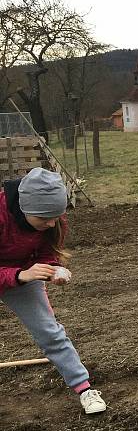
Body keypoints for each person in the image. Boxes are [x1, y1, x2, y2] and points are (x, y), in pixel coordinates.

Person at [0, 168, 106, 415]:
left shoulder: (52, 217)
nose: (51, 223)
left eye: (55, 217)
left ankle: (84, 388)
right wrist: (19, 275)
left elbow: (48, 250)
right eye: (43, 218)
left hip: (26, 274)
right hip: (21, 274)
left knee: (50, 332)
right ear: (25, 209)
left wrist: (54, 269)